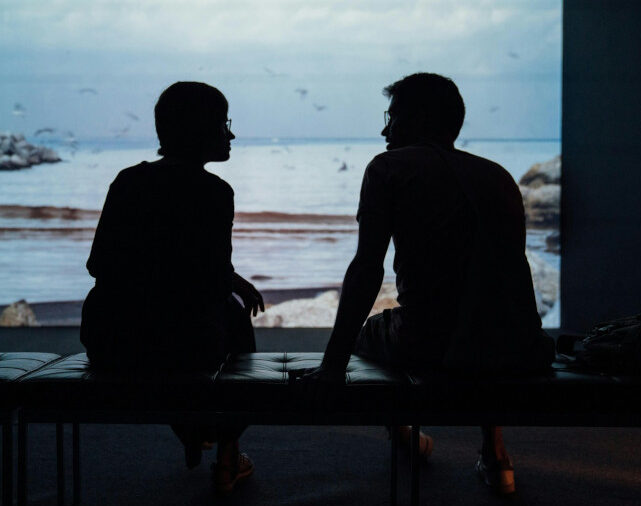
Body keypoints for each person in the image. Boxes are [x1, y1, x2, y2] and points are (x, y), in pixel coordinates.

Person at [294, 73, 555, 495]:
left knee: (372, 333)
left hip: (432, 346)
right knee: (479, 311)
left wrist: (332, 365)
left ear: (417, 119)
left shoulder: (389, 168)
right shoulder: (499, 176)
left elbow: (366, 269)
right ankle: (495, 451)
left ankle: (405, 435)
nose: (384, 129)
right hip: (519, 346)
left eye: (392, 117)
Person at [80, 81, 265, 494]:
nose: (231, 134)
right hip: (184, 348)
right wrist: (229, 284)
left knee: (186, 321)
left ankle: (195, 429)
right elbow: (211, 280)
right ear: (203, 130)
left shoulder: (128, 181)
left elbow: (99, 264)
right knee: (232, 319)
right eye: (223, 124)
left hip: (110, 341)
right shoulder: (215, 192)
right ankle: (228, 455)